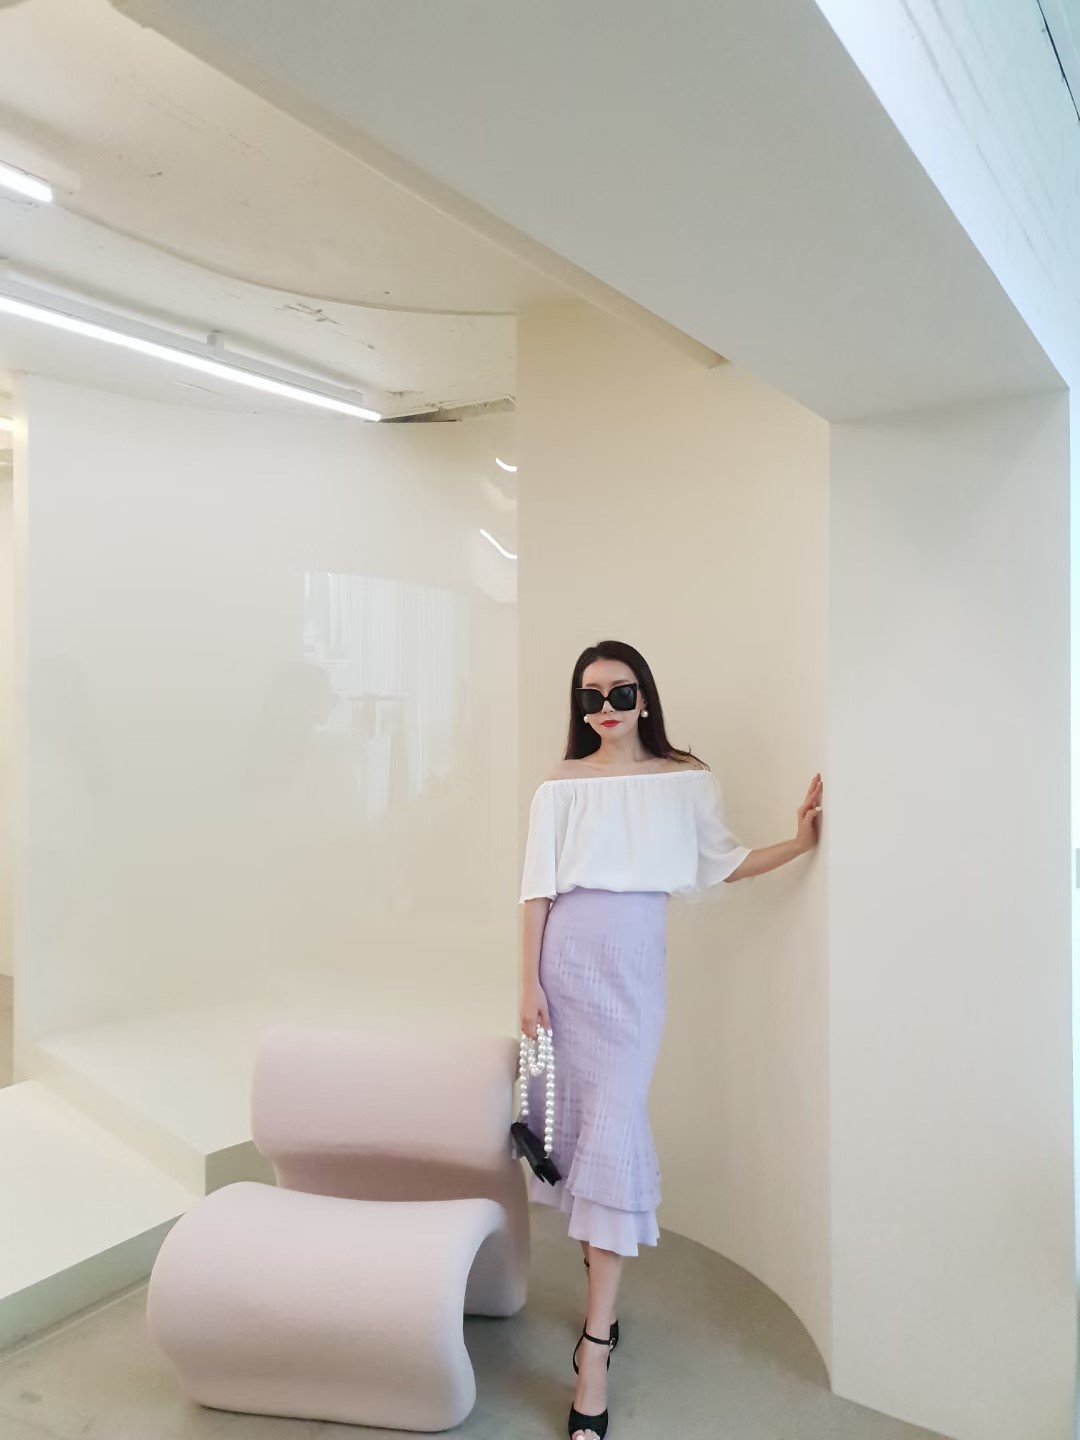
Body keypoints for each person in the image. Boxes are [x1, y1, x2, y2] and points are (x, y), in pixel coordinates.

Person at [518, 640, 823, 1440]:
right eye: (590, 697)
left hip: (634, 971)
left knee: (615, 1128)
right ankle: (600, 1331)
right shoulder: (559, 785)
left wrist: (797, 844)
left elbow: (720, 863)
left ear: (645, 698)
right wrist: (527, 986)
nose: (605, 708)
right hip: (567, 965)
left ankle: (594, 1345)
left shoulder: (685, 779)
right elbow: (536, 891)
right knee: (586, 1133)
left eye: (620, 693)